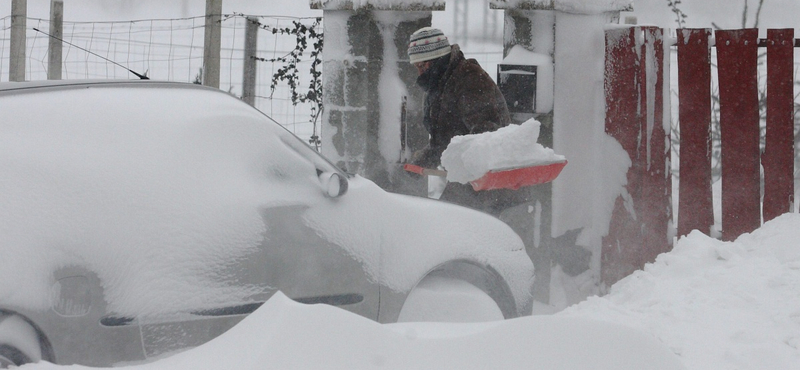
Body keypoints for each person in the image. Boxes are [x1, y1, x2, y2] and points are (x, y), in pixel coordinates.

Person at [407, 27, 529, 217]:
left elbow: (488, 134)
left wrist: (462, 166)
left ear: (437, 60)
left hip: (489, 185)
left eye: (423, 66)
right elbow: (445, 141)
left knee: (444, 223)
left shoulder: (469, 79)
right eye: (416, 67)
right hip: (471, 180)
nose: (420, 73)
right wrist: (424, 159)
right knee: (443, 224)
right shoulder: (441, 86)